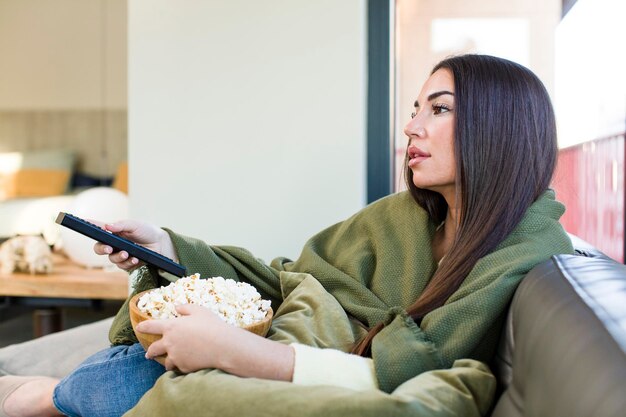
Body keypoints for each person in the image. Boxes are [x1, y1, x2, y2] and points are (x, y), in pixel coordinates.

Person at [0, 54, 574, 417]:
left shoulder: (526, 249)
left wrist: (241, 353)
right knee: (90, 377)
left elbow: (422, 367)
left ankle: (45, 399)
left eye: (439, 109)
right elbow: (291, 278)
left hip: (285, 361)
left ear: (498, 129)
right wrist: (166, 248)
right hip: (282, 336)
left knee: (89, 391)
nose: (412, 125)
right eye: (415, 107)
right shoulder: (406, 216)